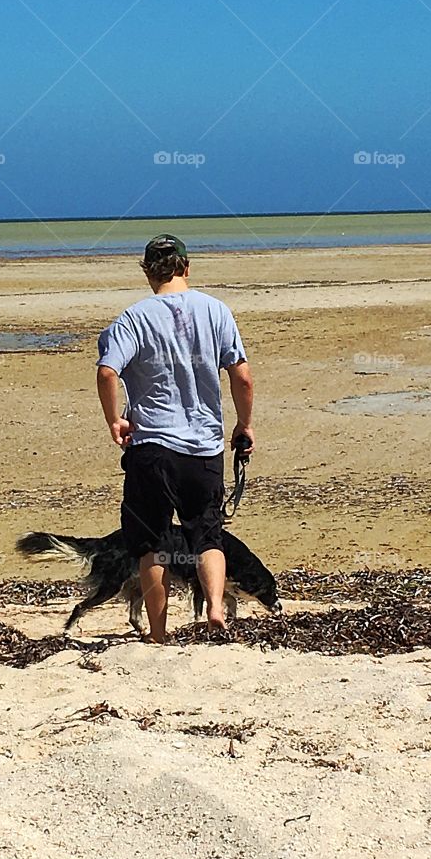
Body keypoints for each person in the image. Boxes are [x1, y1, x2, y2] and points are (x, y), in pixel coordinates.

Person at [96, 234, 254, 643]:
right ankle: (216, 608)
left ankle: (159, 632)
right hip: (203, 447)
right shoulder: (217, 311)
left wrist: (115, 420)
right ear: (186, 267)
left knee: (153, 542)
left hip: (152, 447)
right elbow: (241, 375)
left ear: (148, 272)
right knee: (208, 535)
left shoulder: (131, 319)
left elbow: (107, 372)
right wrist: (243, 424)